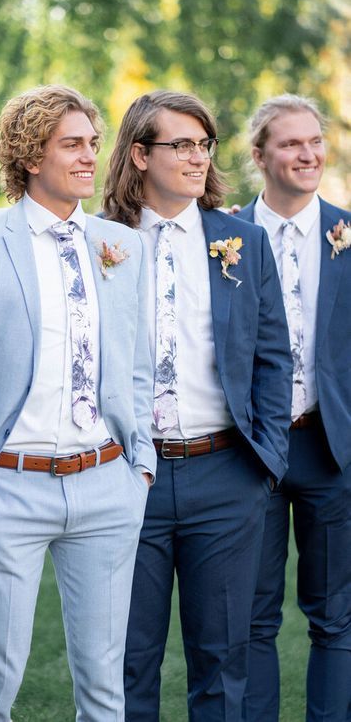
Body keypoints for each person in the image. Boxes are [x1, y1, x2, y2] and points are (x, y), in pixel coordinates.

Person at [0, 83, 156, 722]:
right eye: (72, 145)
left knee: (103, 684)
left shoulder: (122, 245)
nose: (91, 156)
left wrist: (138, 467)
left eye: (93, 143)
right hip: (9, 487)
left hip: (106, 484)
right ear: (31, 156)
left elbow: (137, 364)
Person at [102, 89, 292, 721]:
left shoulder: (241, 241)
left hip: (226, 472)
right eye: (180, 144)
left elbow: (273, 357)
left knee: (223, 660)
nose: (198, 158)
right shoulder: (100, 242)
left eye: (204, 145)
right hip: (131, 475)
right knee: (127, 661)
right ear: (138, 154)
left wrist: (265, 462)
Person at [236, 94, 351, 722]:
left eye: (314, 141)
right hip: (250, 450)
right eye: (290, 143)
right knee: (250, 616)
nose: (308, 154)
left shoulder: (350, 233)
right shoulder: (222, 235)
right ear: (260, 156)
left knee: (336, 616)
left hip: (332, 448)